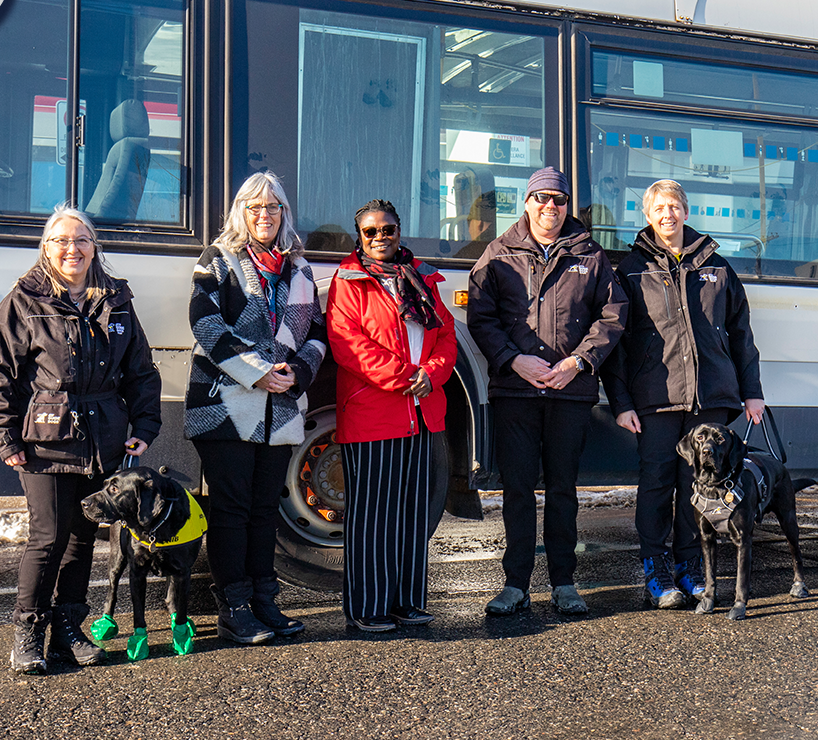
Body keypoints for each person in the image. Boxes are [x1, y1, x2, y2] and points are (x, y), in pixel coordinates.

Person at [0, 205, 162, 675]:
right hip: (46, 439)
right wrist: (4, 436)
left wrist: (143, 428)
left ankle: (67, 629)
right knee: (48, 537)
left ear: (94, 246)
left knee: (83, 538)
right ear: (46, 248)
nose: (71, 249)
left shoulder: (117, 300)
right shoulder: (23, 300)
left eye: (80, 239)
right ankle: (27, 634)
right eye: (61, 240)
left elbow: (141, 371)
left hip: (103, 435)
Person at [467, 167, 627, 616]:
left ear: (566, 206)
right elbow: (481, 316)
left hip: (570, 391)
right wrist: (514, 359)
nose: (550, 207)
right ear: (527, 202)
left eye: (558, 200)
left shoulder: (591, 255)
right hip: (515, 390)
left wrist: (578, 362)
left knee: (563, 489)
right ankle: (515, 585)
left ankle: (564, 583)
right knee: (517, 489)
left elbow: (612, 316)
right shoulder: (498, 252)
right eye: (541, 199)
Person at [602, 179, 765, 609]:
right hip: (655, 398)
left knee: (701, 487)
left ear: (686, 212)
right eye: (659, 208)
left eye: (674, 206)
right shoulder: (631, 271)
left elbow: (741, 334)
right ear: (649, 216)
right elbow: (615, 344)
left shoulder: (719, 269)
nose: (667, 214)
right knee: (656, 484)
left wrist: (752, 392)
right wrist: (621, 403)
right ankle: (655, 569)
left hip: (711, 396)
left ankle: (690, 568)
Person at [186, 171, 327, 644]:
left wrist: (297, 373)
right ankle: (234, 607)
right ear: (240, 213)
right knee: (231, 509)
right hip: (224, 407)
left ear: (284, 213)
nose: (264, 215)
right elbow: (204, 324)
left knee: (265, 509)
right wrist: (256, 371)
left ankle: (265, 601)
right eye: (254, 207)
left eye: (273, 207)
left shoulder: (300, 269)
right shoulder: (218, 261)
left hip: (282, 408)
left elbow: (317, 336)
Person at [327, 199, 457, 632]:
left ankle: (407, 601)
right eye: (370, 232)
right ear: (358, 237)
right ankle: (367, 608)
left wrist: (431, 374)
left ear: (400, 231)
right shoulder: (348, 282)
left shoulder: (423, 278)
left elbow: (445, 336)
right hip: (373, 413)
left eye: (388, 229)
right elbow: (350, 346)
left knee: (412, 512)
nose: (380, 238)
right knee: (372, 515)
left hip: (422, 412)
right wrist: (407, 377)